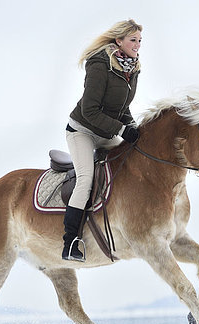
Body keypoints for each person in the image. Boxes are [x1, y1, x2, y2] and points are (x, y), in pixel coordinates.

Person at [62, 19, 143, 261]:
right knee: (85, 180)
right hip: (82, 132)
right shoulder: (99, 64)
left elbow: (122, 108)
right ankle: (70, 243)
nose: (137, 45)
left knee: (132, 163)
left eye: (140, 41)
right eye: (133, 40)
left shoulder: (133, 68)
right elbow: (90, 111)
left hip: (106, 133)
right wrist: (121, 129)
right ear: (119, 41)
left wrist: (132, 126)